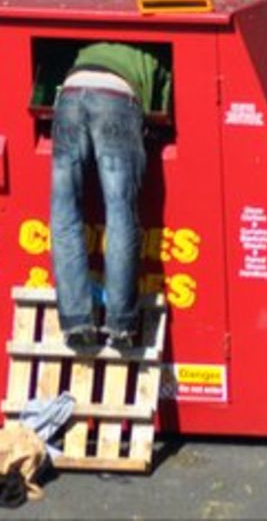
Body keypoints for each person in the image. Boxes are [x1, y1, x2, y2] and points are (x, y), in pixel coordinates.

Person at [49, 42, 168, 349]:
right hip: (118, 98)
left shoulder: (89, 44)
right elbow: (162, 112)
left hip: (71, 95)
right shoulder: (154, 54)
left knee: (64, 213)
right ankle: (120, 323)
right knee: (120, 213)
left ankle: (76, 320)